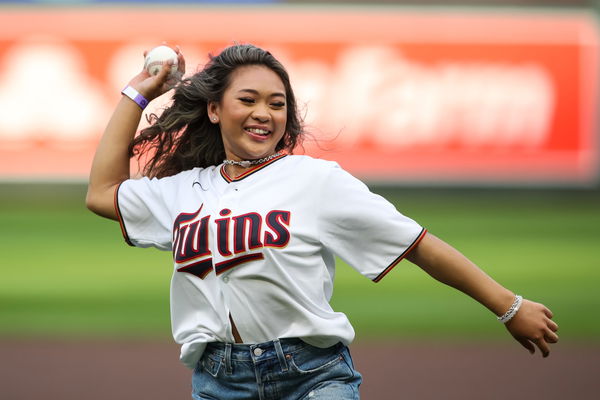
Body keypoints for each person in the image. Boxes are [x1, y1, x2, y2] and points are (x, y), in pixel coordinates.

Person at [86, 43, 559, 400]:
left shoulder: (315, 181)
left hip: (311, 376)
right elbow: (102, 193)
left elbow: (417, 244)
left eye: (276, 103)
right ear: (214, 109)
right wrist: (139, 91)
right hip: (218, 381)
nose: (263, 113)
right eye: (248, 99)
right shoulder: (182, 191)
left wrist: (509, 306)